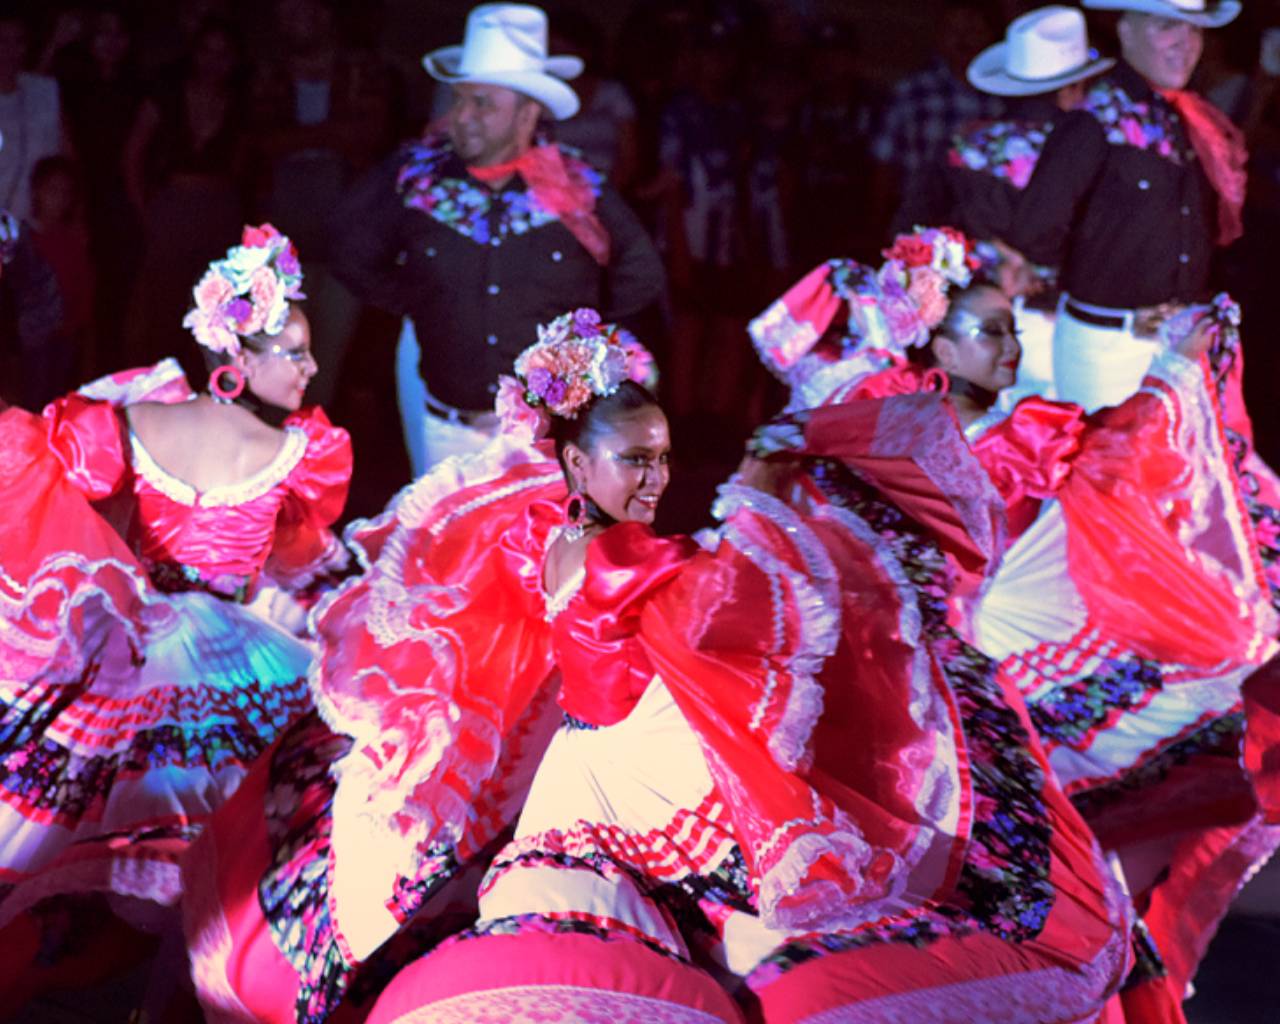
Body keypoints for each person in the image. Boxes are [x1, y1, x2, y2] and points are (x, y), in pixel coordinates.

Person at [182, 307, 1128, 1023]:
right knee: (782, 876)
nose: (655, 479)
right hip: (625, 771)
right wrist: (774, 499)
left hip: (614, 743)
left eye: (663, 457)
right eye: (633, 460)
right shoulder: (611, 555)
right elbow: (730, 590)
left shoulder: (544, 528)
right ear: (575, 467)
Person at [747, 227, 1278, 1016]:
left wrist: (1177, 370)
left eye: (1011, 327)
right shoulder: (896, 439)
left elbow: (1127, 453)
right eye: (991, 331)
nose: (1012, 343)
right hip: (943, 705)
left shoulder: (1024, 429)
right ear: (937, 348)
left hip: (1016, 689)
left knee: (1085, 872)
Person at [0, 224, 351, 1013]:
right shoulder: (305, 453)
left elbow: (67, 506)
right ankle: (159, 997)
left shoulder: (127, 424)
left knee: (104, 817)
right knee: (219, 850)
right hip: (231, 654)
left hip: (138, 642)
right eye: (294, 351)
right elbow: (296, 560)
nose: (312, 366)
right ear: (237, 362)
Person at [332, 3, 664, 477]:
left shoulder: (575, 185)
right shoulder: (418, 178)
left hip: (549, 438)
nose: (460, 116)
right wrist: (420, 299)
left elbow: (641, 270)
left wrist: (584, 326)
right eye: (458, 98)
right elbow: (349, 248)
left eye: (481, 102)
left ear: (527, 113)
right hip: (449, 434)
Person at [1002, 0, 1246, 411]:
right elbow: (1036, 228)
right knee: (1108, 471)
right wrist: (1096, 265)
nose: (1185, 43)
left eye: (1194, 30)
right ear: (1126, 31)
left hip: (1176, 342)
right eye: (1168, 25)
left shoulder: (1181, 115)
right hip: (1107, 348)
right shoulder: (1095, 117)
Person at [897, 5, 1116, 408]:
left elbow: (915, 226)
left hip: (980, 324)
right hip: (1071, 322)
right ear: (1072, 88)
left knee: (993, 437)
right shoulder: (1092, 149)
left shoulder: (965, 143)